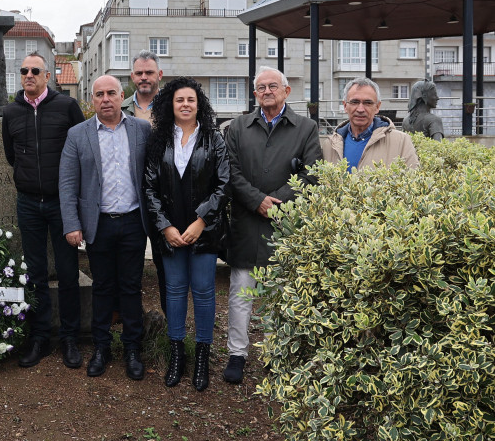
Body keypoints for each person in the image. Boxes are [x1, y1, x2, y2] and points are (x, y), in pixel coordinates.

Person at [224, 66, 322, 385]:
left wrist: (276, 201)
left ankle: (275, 354)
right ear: (254, 94)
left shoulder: (306, 128)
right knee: (241, 294)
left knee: (279, 296)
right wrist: (257, 200)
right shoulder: (237, 127)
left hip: (285, 225)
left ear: (286, 90)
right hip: (245, 222)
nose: (267, 91)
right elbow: (230, 172)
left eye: (273, 86)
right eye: (261, 88)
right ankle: (237, 354)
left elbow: (312, 174)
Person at [59, 75, 152, 380]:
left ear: (121, 95)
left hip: (133, 222)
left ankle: (132, 349)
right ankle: (101, 347)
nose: (105, 99)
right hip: (97, 224)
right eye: (99, 94)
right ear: (92, 99)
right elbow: (68, 183)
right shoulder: (78, 134)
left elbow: (152, 177)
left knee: (130, 287)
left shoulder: (141, 130)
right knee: (102, 287)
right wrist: (72, 224)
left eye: (111, 93)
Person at [143, 78, 230, 389]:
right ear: (171, 104)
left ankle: (203, 357)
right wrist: (165, 226)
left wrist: (200, 222)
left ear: (199, 104)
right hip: (170, 232)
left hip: (203, 232)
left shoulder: (213, 139)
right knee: (176, 292)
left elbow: (223, 186)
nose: (185, 104)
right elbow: (150, 188)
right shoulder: (159, 140)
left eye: (191, 100)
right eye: (179, 99)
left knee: (205, 293)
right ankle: (177, 354)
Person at [1, 52, 86, 369]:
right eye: (24, 70)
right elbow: (12, 156)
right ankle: (40, 337)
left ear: (47, 76)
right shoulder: (11, 111)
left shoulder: (66, 107)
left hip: (62, 203)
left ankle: (69, 338)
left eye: (35, 70)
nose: (29, 75)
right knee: (35, 274)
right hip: (28, 202)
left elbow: (82, 150)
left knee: (67, 273)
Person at [121, 50, 167, 315]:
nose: (144, 78)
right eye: (139, 73)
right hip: (130, 195)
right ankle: (128, 325)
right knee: (129, 266)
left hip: (164, 196)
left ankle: (171, 330)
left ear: (159, 75)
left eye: (149, 72)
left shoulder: (173, 106)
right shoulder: (121, 107)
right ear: (132, 76)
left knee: (165, 266)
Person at [322, 77, 419, 170]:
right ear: (345, 106)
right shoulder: (329, 146)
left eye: (367, 103)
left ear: (377, 107)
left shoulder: (401, 142)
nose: (360, 109)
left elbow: (412, 181)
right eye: (354, 102)